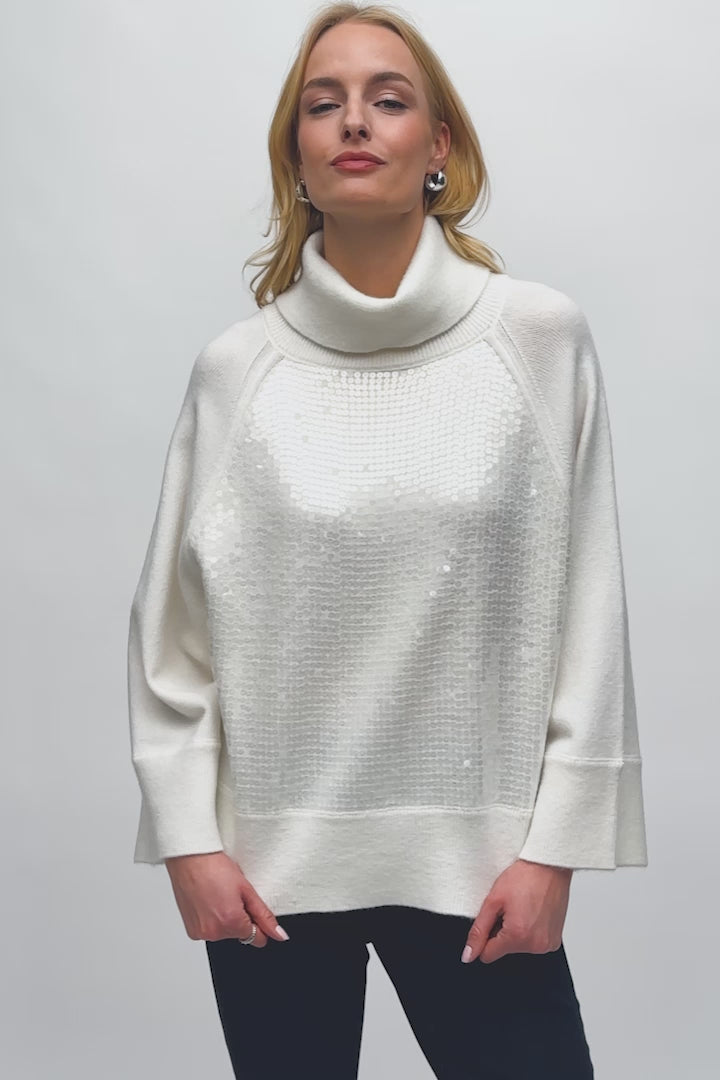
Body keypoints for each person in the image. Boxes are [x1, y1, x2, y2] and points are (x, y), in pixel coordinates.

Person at [126, 3, 648, 1077]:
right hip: (266, 880)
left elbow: (590, 609)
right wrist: (188, 840)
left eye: (388, 99)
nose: (354, 121)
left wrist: (556, 849)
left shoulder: (538, 338)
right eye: (324, 105)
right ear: (298, 155)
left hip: (485, 870)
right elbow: (172, 636)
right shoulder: (237, 370)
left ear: (438, 145)